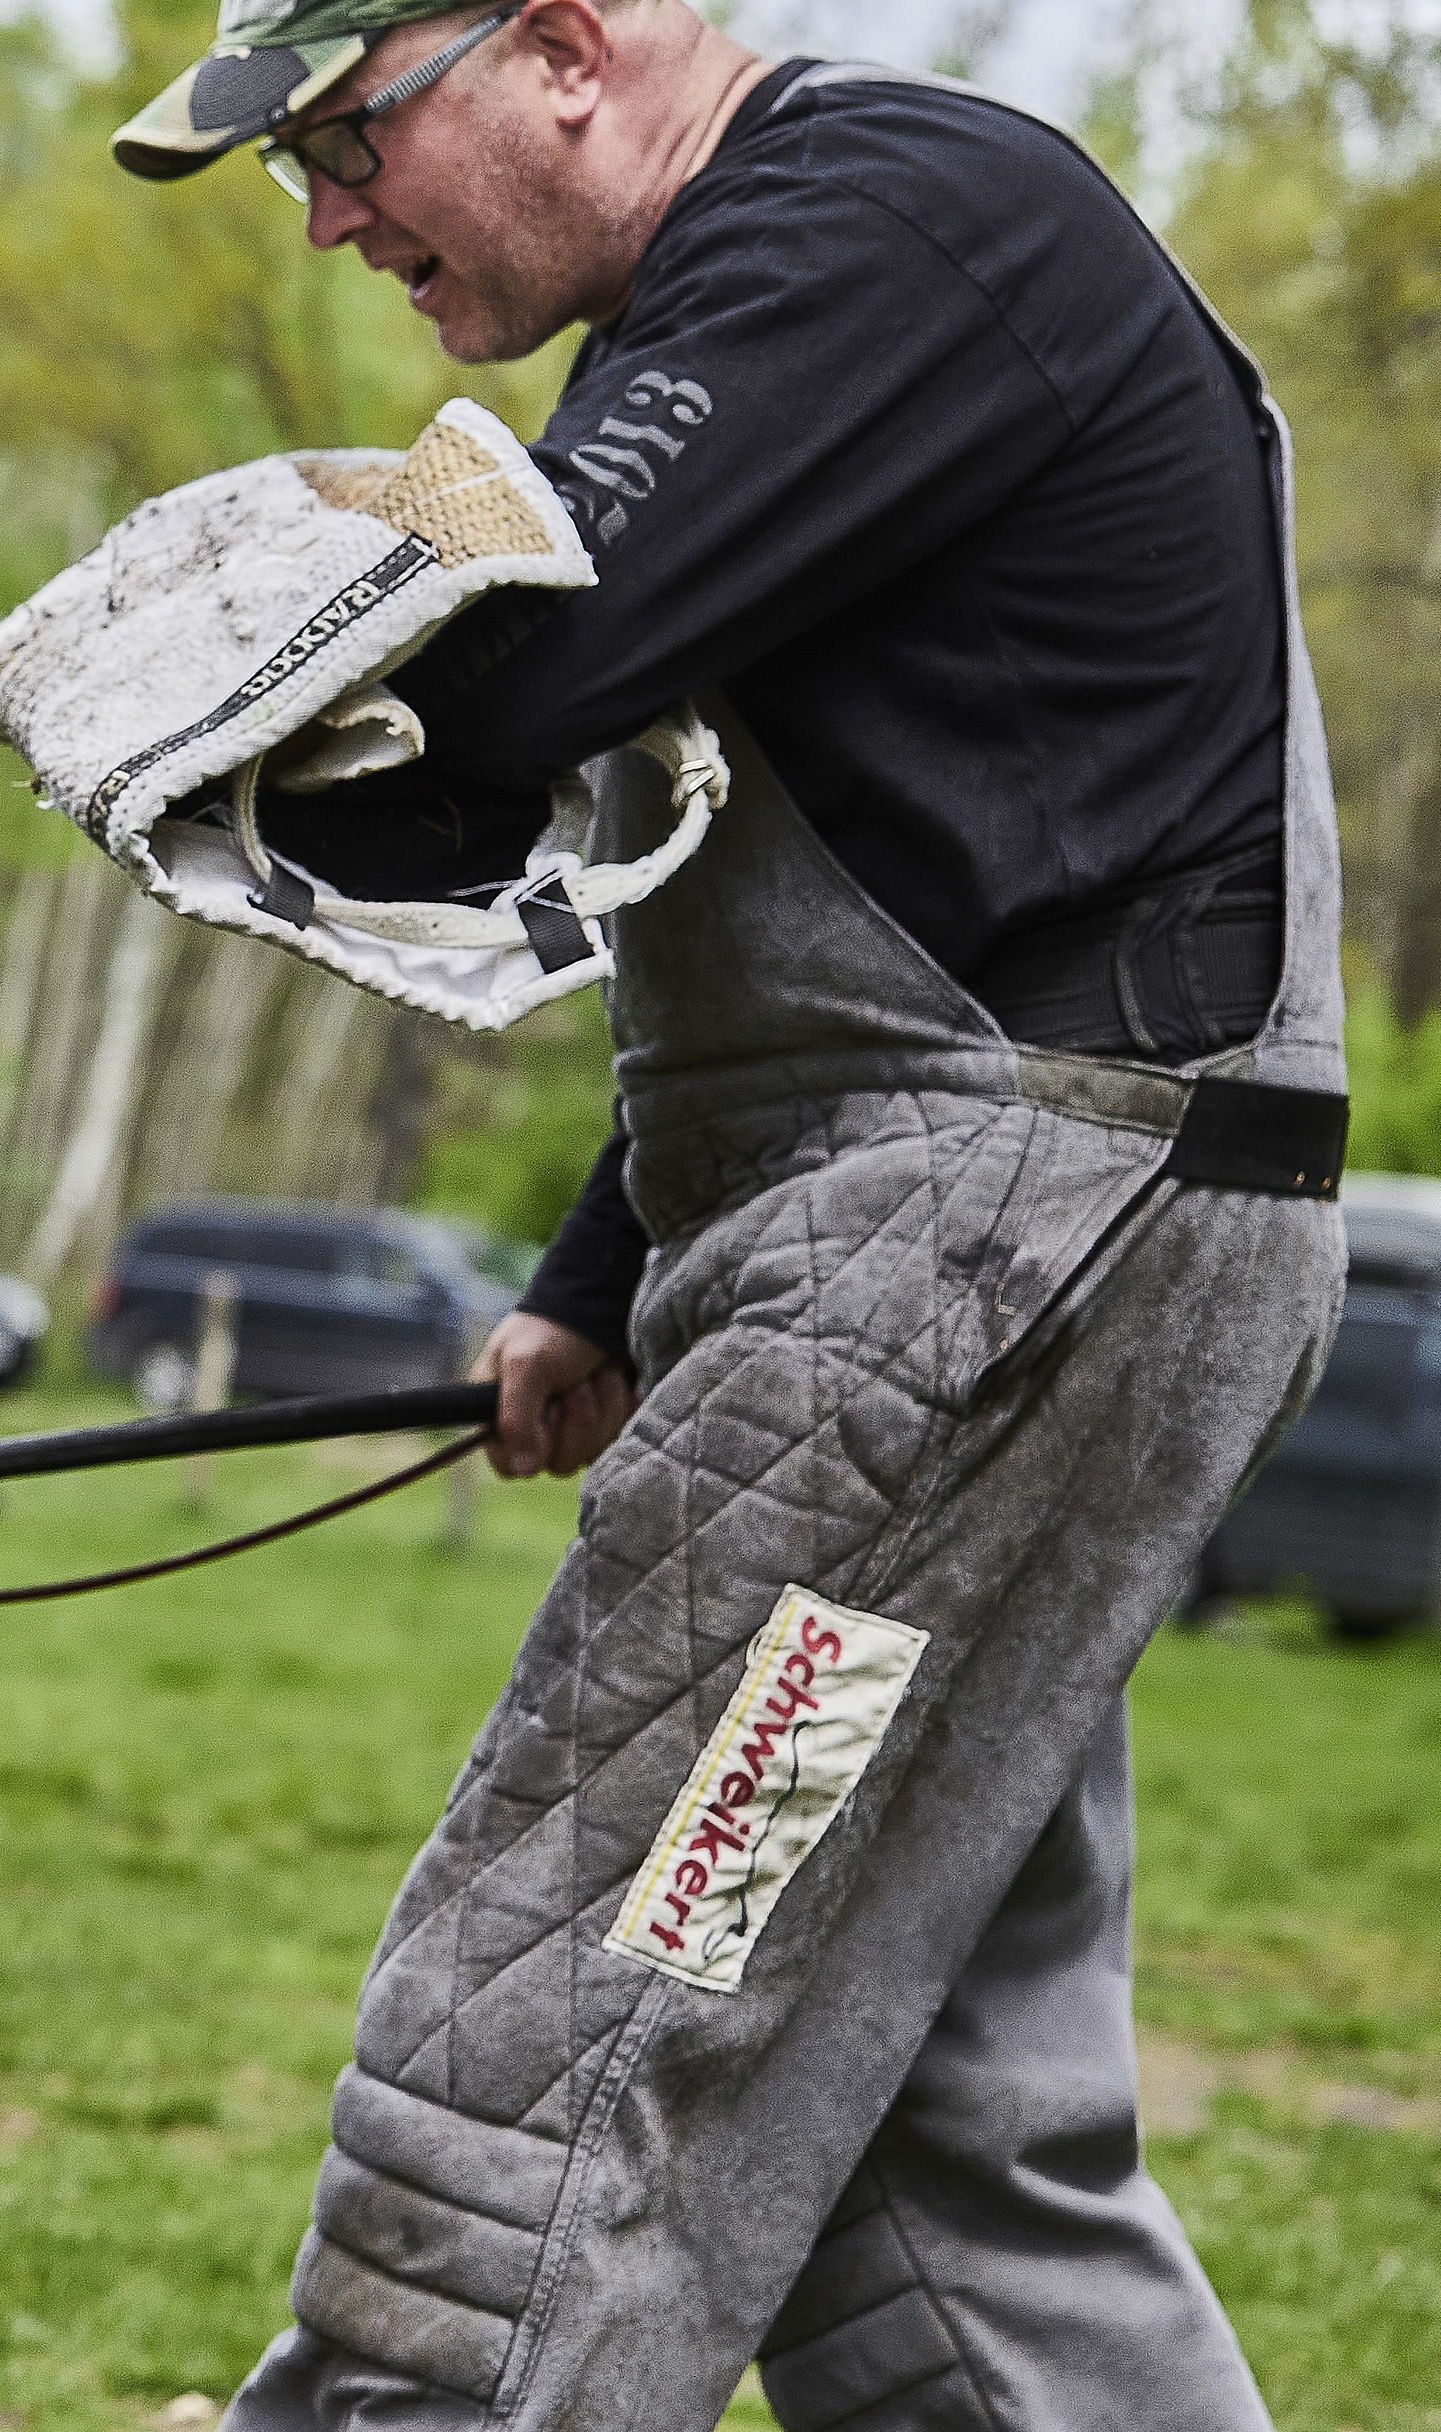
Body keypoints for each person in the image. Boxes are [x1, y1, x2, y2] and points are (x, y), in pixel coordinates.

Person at [105, 5, 1349, 2427]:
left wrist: (233, 697)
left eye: (353, 137)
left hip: (990, 1256)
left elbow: (510, 685)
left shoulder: (866, 228)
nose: (340, 214)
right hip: (1017, 1233)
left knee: (578, 2009)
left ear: (564, 46)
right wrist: (605, 1275)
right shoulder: (808, 301)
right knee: (920, 2120)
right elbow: (897, 876)